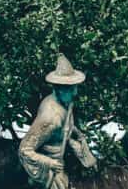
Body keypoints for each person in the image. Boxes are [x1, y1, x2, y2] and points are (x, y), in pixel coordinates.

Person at [19, 55, 97, 189]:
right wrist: (49, 163)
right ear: (59, 88)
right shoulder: (51, 118)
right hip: (52, 161)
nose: (75, 93)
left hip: (64, 145)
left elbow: (66, 125)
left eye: (75, 87)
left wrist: (77, 135)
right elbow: (24, 150)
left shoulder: (65, 101)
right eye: (71, 88)